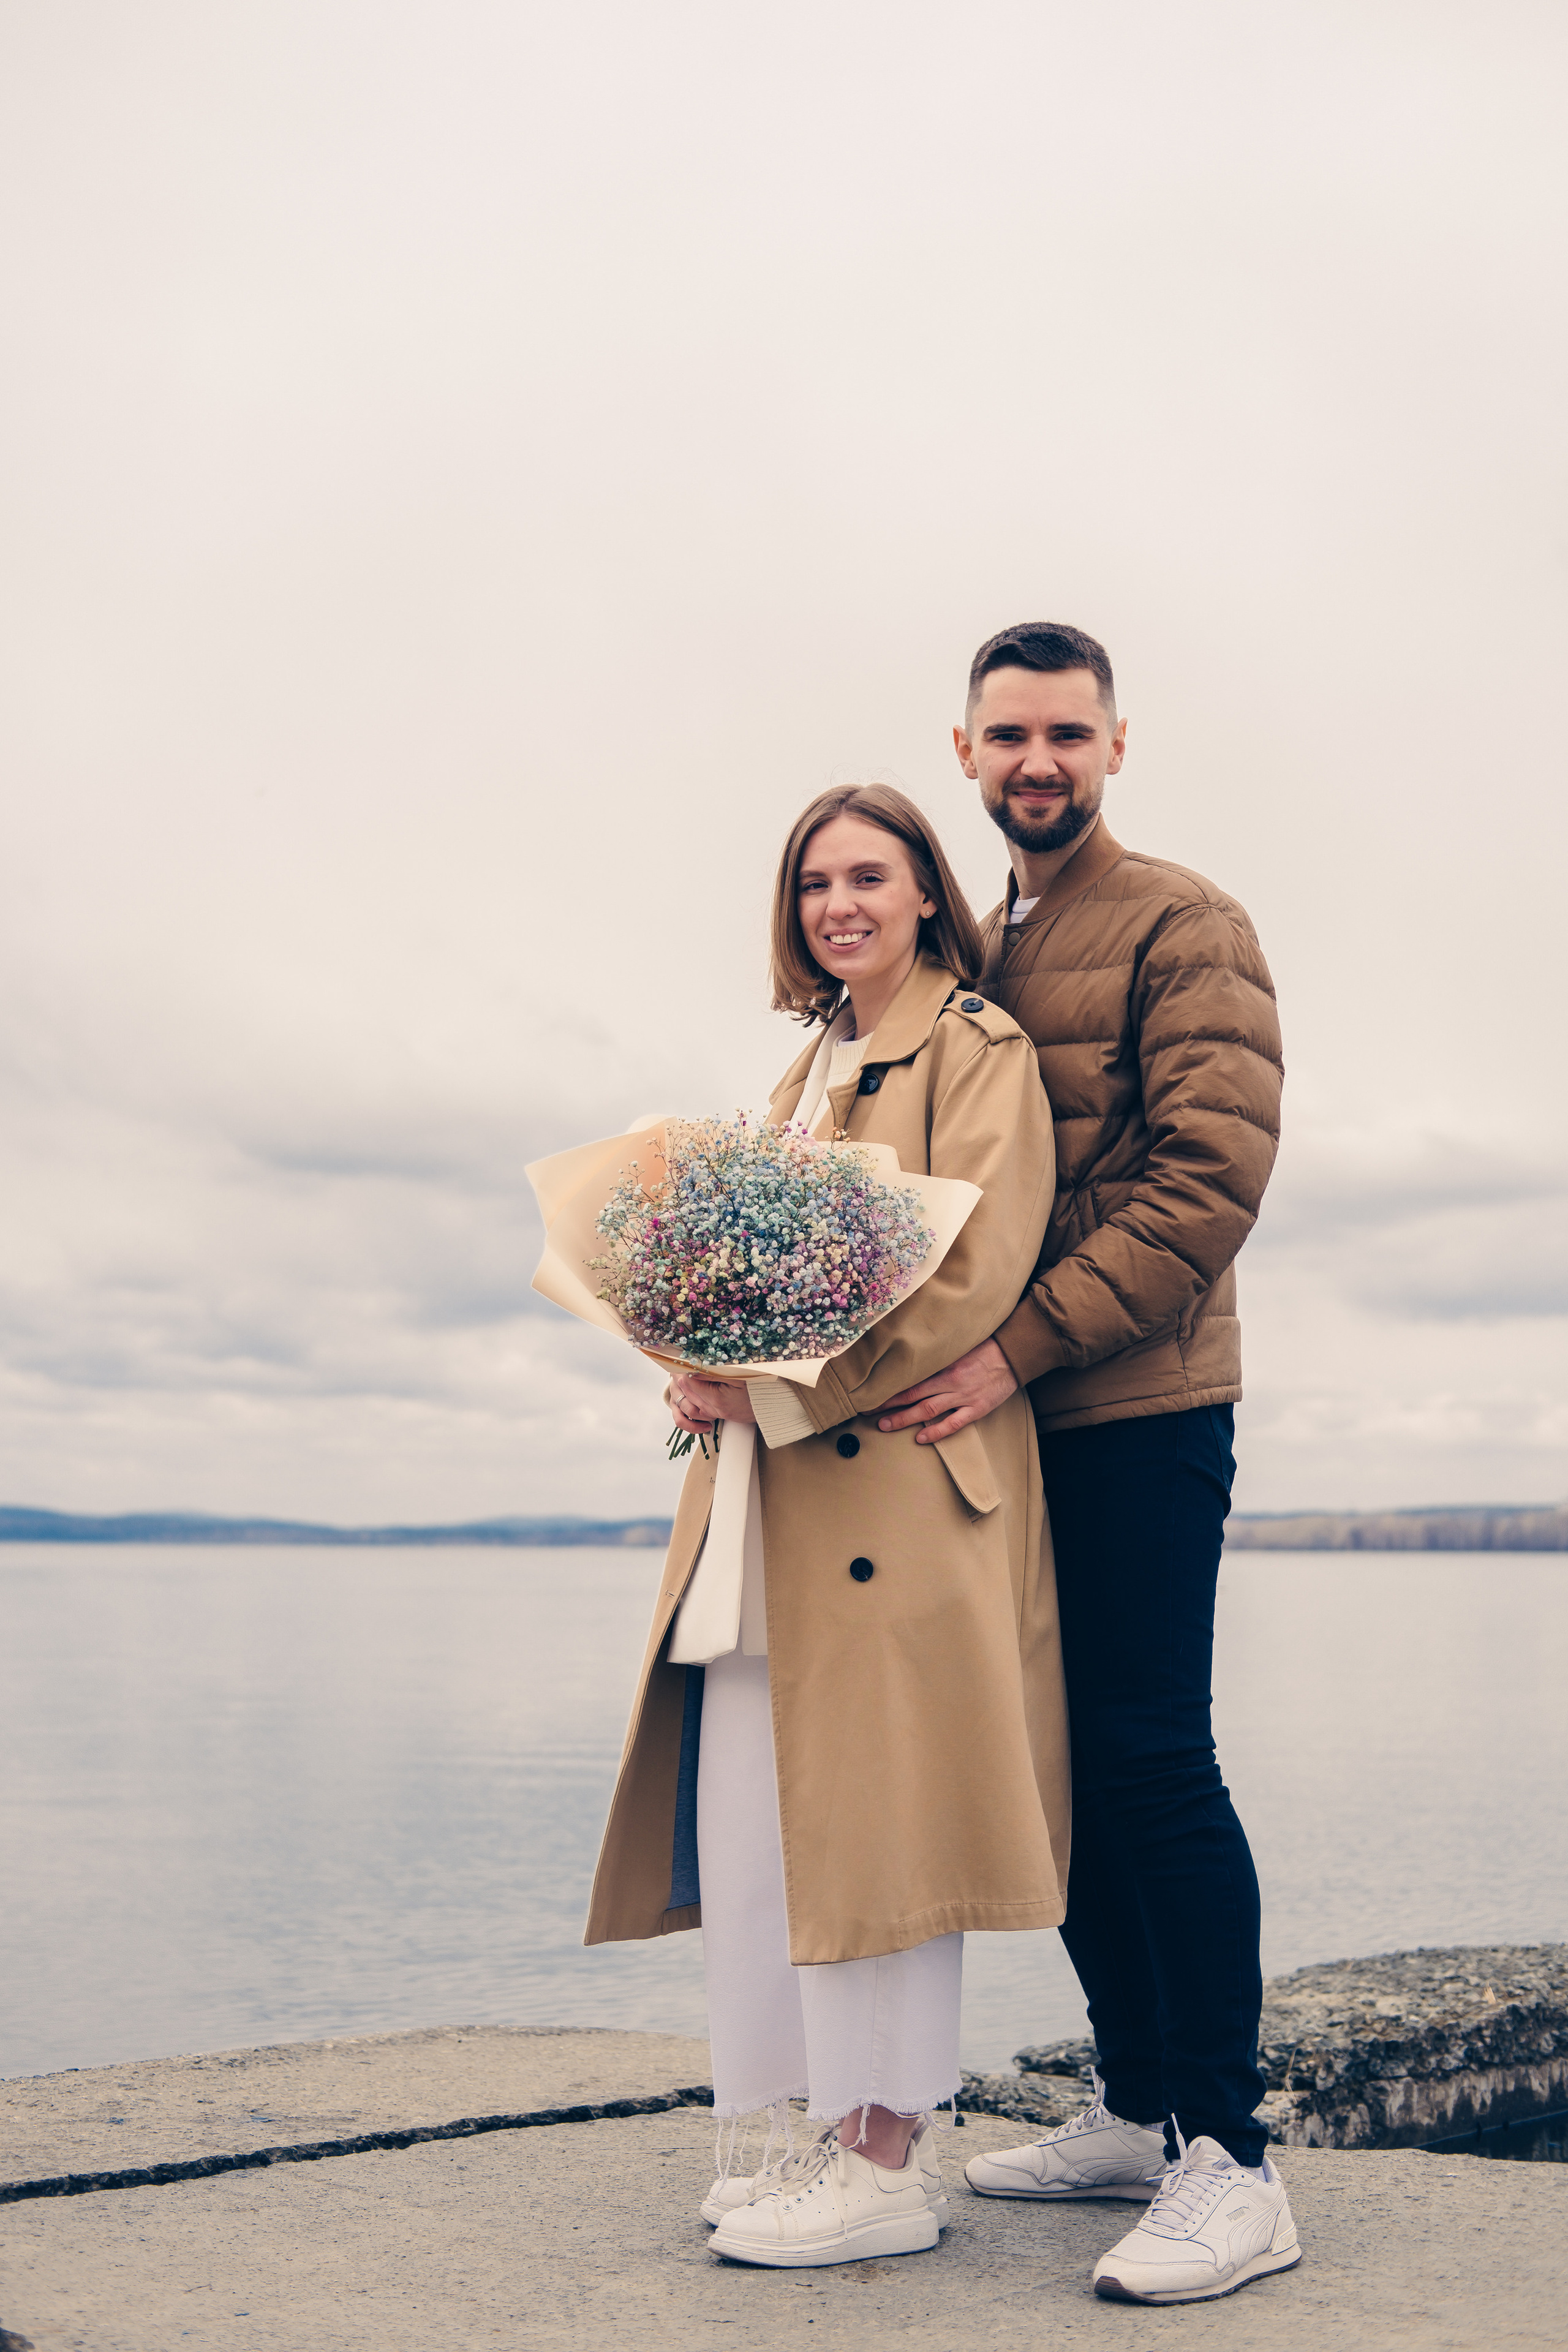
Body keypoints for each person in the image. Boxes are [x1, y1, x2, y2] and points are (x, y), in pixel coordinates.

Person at [582, 783, 1071, 2269]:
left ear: (928, 890)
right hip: (768, 1508)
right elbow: (768, 1274)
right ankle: (790, 2130)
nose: (838, 905)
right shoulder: (806, 1062)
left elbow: (970, 1267)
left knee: (883, 1829)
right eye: (812, 884)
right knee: (753, 1830)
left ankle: (883, 2164)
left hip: (896, 1500)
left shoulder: (974, 1049)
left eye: (867, 876)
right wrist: (690, 1352)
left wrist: (773, 1389)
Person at [875, 622, 1299, 2305]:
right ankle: (1133, 2110)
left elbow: (1205, 1181)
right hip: (997, 1423)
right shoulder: (977, 940)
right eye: (1006, 736)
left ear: (1117, 745)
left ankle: (1235, 2161)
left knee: (1146, 1761)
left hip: (1136, 1407)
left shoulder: (1184, 921)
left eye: (1066, 732)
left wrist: (1016, 1347)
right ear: (965, 755)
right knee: (1052, 1775)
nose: (1035, 760)